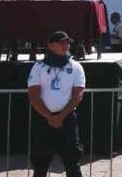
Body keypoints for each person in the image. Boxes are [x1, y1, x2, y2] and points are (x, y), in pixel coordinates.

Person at [27, 31, 86, 177]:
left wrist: (61, 116)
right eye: (62, 42)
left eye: (68, 42)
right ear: (51, 46)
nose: (66, 45)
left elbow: (78, 94)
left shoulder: (76, 67)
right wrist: (49, 116)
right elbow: (33, 94)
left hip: (67, 119)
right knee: (40, 161)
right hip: (42, 119)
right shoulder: (38, 67)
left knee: (72, 159)